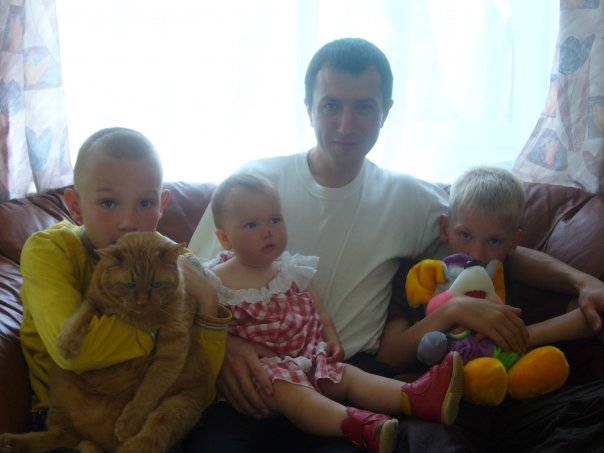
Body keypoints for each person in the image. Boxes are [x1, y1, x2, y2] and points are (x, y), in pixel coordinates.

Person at [186, 38, 604, 452]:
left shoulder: (409, 198)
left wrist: (583, 282)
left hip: (347, 378)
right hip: (249, 382)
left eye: (364, 107)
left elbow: (492, 249)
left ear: (386, 112)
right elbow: (188, 283)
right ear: (308, 106)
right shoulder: (253, 186)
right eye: (331, 105)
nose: (346, 124)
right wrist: (228, 346)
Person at [203, 172, 464, 453]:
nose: (267, 231)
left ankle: (416, 397)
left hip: (307, 358)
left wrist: (330, 337)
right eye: (251, 225)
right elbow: (200, 324)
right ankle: (355, 425)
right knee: (289, 390)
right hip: (261, 377)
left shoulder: (289, 268)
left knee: (347, 376)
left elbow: (318, 309)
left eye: (275, 220)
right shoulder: (215, 280)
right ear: (225, 238)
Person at [18, 127, 231, 441]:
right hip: (72, 419)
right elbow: (75, 351)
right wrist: (166, 332)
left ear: (162, 204)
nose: (129, 222)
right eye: (108, 203)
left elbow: (199, 386)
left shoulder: (171, 259)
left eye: (145, 203)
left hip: (151, 414)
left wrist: (209, 301)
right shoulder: (49, 250)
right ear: (75, 205)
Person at [412, 166, 593, 371]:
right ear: (445, 229)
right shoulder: (420, 278)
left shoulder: (512, 281)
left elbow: (591, 315)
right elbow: (391, 355)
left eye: (494, 241)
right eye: (465, 235)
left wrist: (513, 337)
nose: (477, 254)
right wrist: (451, 312)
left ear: (513, 242)